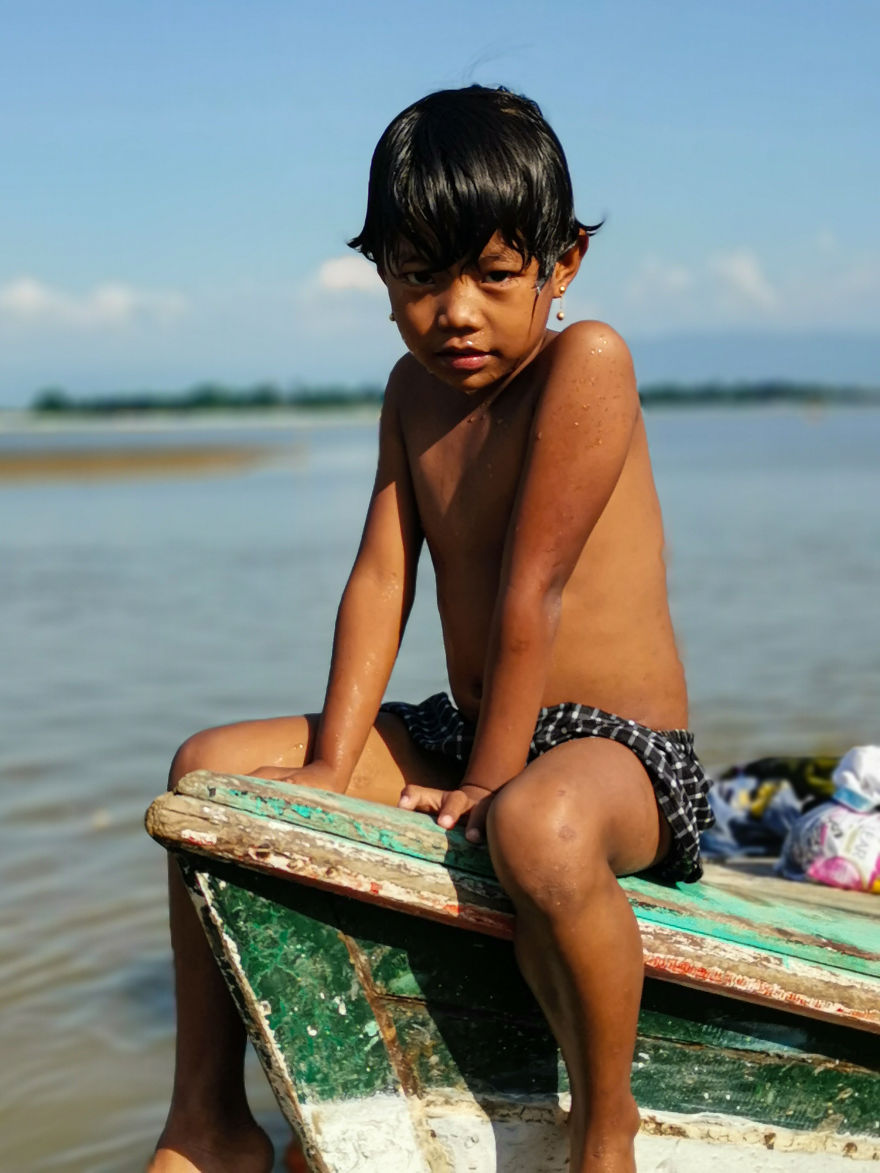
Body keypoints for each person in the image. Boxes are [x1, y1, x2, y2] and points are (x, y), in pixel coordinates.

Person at [149, 84, 713, 1173]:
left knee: (535, 830)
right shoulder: (411, 396)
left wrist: (492, 783)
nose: (456, 311)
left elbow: (530, 594)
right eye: (419, 277)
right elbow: (378, 578)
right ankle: (208, 1120)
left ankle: (607, 1129)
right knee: (206, 772)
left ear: (561, 267)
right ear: (382, 276)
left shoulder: (586, 363)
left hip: (619, 758)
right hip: (472, 729)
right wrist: (326, 761)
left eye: (495, 277)